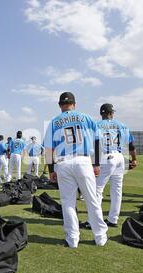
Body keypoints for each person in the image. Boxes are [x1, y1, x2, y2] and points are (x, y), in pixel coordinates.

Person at [44, 92, 108, 248]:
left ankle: (72, 239)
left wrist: (51, 170)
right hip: (83, 160)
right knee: (92, 200)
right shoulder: (86, 117)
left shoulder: (54, 122)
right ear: (74, 103)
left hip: (63, 163)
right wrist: (97, 163)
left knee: (68, 203)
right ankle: (100, 237)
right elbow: (98, 141)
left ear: (60, 105)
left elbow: (48, 148)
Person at [94, 103, 137, 227]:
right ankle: (113, 219)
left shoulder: (96, 125)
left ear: (101, 113)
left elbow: (94, 145)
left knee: (97, 190)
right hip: (119, 157)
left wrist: (94, 163)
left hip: (105, 157)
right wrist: (134, 159)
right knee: (117, 190)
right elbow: (131, 145)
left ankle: (95, 221)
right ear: (111, 113)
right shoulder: (122, 125)